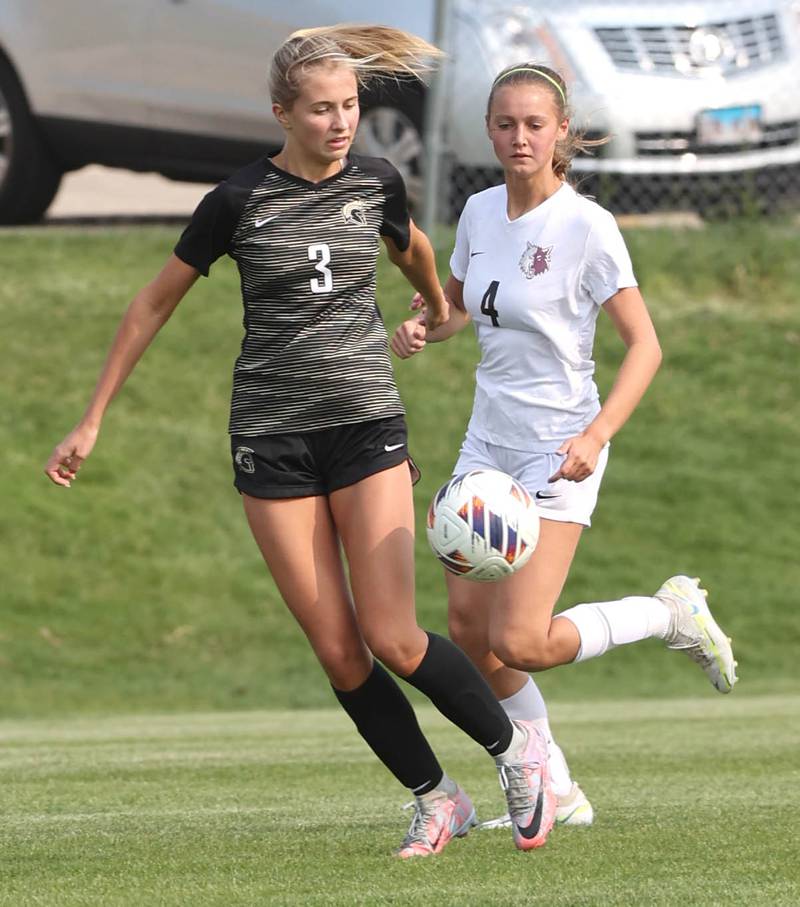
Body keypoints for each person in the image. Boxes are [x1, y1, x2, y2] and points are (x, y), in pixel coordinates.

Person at [43, 28, 566, 858]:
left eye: (350, 106)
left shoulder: (377, 180)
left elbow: (412, 246)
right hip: (270, 441)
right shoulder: (236, 200)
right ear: (281, 111)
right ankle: (438, 798)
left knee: (394, 635)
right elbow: (151, 304)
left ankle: (520, 754)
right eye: (321, 109)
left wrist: (433, 304)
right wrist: (93, 415)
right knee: (339, 651)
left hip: (367, 427)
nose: (340, 123)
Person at [391, 61, 738, 826]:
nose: (520, 137)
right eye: (506, 124)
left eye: (535, 125)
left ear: (561, 135)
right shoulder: (480, 211)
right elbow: (462, 308)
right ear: (488, 130)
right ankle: (556, 785)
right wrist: (426, 323)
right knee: (472, 636)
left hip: (559, 445)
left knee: (522, 637)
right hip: (488, 443)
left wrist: (597, 431)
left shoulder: (588, 227)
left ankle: (666, 612)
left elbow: (644, 345)